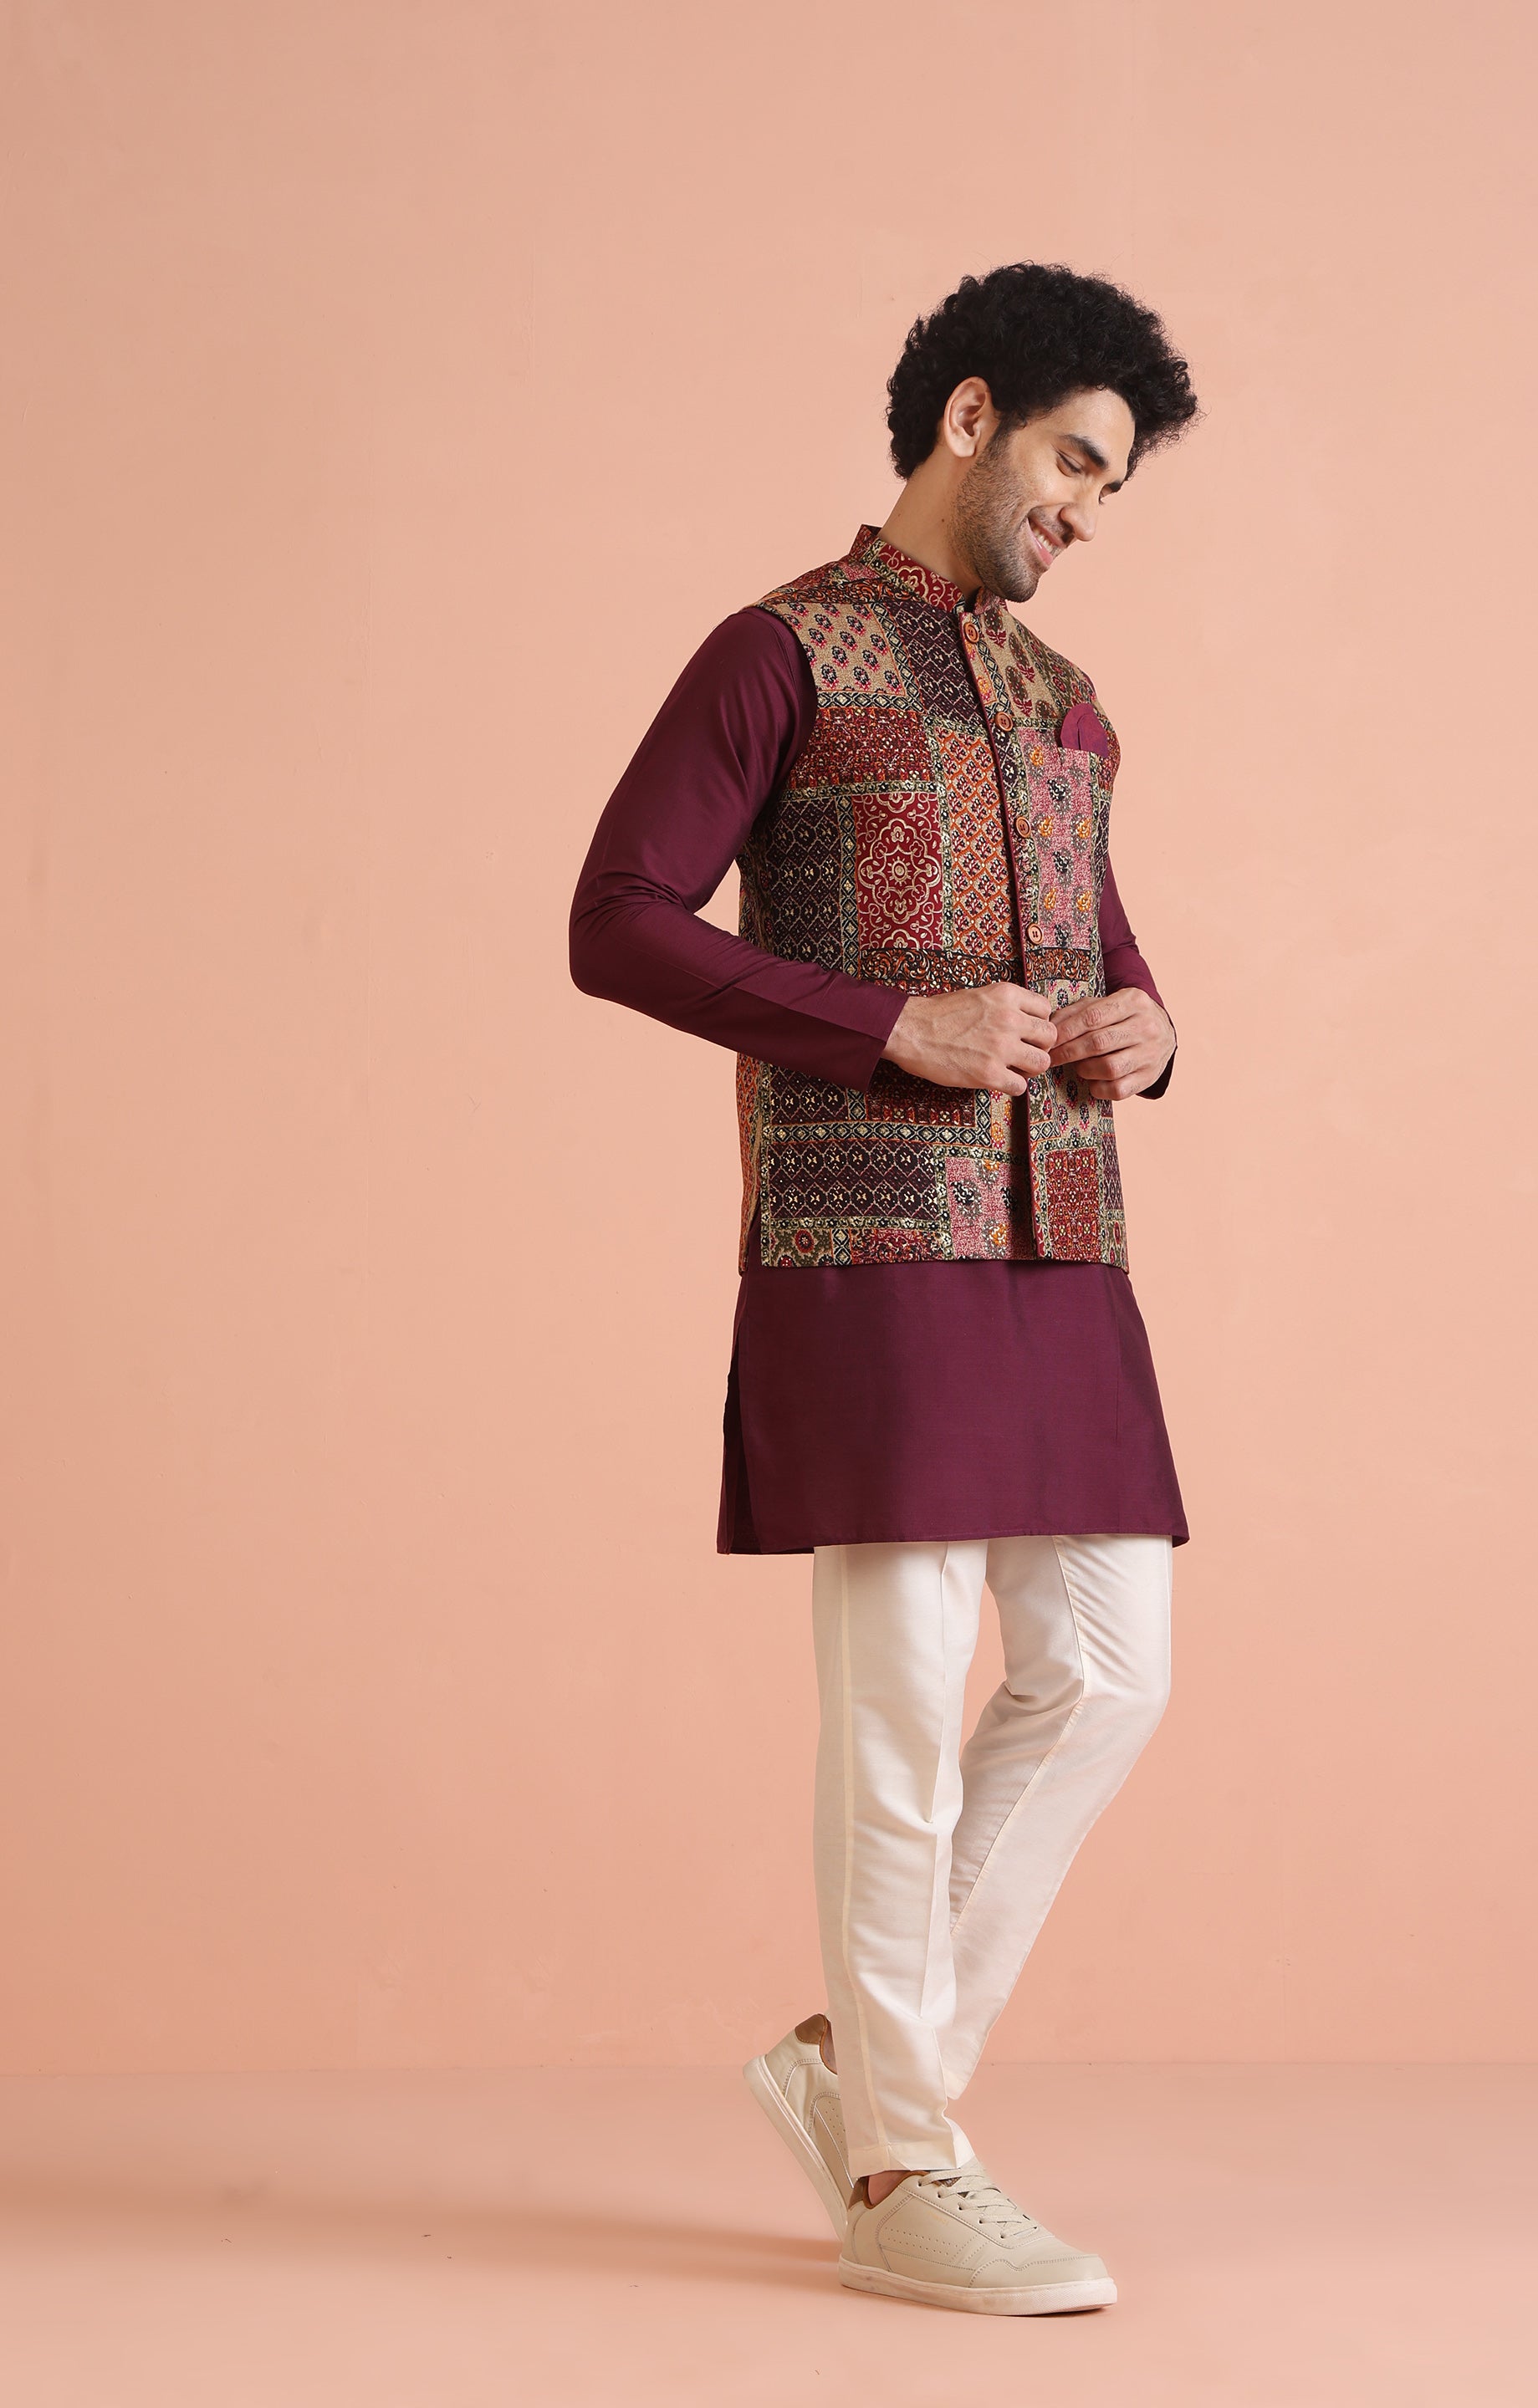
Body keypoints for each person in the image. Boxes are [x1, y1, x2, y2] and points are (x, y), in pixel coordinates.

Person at [569, 263, 1198, 2315]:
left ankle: (862, 2066)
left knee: (1109, 1670)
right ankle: (904, 2167)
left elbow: (1109, 946)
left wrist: (1149, 1030)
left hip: (1063, 1235)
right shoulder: (780, 654)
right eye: (1075, 463)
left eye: (1112, 488)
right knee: (903, 1703)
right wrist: (884, 1027)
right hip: (867, 1228)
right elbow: (616, 917)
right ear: (970, 417)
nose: (1086, 512)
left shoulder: (1066, 699)